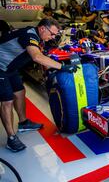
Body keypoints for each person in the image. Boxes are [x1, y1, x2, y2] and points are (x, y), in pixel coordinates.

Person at [0, 18, 79, 152]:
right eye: (52, 34)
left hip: (10, 68)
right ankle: (11, 138)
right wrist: (62, 67)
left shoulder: (38, 36)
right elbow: (37, 57)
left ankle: (23, 123)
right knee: (7, 101)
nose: (53, 37)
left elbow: (40, 55)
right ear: (42, 28)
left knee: (20, 92)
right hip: (1, 67)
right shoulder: (30, 35)